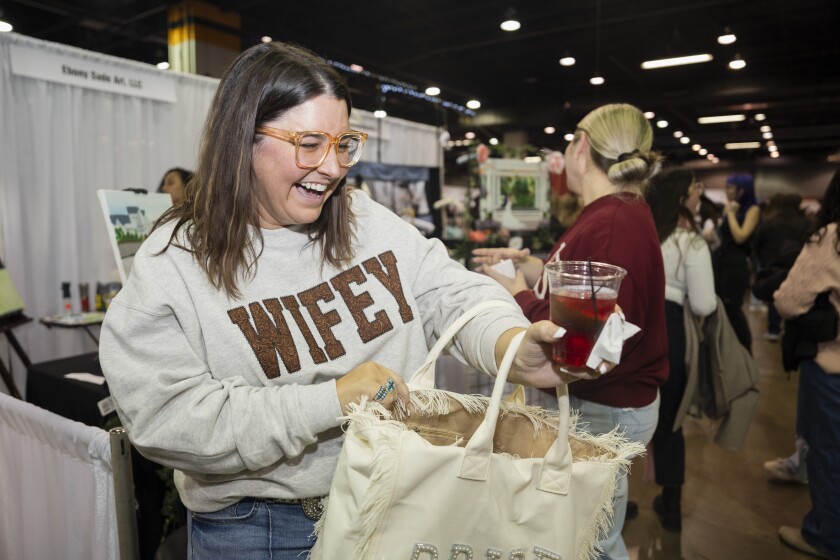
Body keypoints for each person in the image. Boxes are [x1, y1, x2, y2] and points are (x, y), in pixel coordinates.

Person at [98, 41, 577, 559]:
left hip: (398, 505)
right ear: (242, 139)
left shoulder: (361, 218)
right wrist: (333, 400)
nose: (331, 168)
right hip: (258, 532)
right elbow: (166, 419)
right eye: (309, 143)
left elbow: (447, 290)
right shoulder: (176, 264)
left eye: (343, 143)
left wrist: (510, 344)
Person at [473, 103, 668, 560]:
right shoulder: (614, 213)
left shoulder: (613, 222)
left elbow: (588, 338)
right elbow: (590, 289)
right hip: (612, 402)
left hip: (606, 406)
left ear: (581, 146)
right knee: (589, 530)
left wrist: (519, 292)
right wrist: (535, 267)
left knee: (590, 540)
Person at [645, 168, 716, 532]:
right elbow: (704, 304)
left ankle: (614, 500)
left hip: (635, 329)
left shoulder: (645, 236)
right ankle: (670, 504)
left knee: (629, 414)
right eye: (694, 188)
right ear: (679, 197)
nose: (699, 192)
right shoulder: (692, 244)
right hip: (672, 331)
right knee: (671, 420)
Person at [774, 168, 840, 560]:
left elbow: (788, 300)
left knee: (830, 453)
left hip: (833, 369)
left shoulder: (832, 238)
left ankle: (825, 537)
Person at [752, 193, 810, 341]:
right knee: (797, 298)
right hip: (798, 267)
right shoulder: (806, 223)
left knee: (774, 298)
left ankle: (774, 329)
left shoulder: (769, 223)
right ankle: (792, 330)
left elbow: (757, 244)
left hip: (772, 266)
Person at [713, 173, 761, 352]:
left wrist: (731, 214)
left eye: (730, 187)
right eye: (726, 187)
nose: (727, 191)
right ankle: (726, 348)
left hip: (736, 263)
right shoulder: (729, 208)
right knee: (721, 307)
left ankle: (745, 349)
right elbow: (721, 235)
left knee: (733, 308)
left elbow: (741, 236)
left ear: (742, 190)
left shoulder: (752, 210)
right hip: (721, 261)